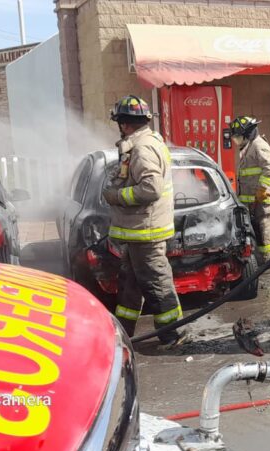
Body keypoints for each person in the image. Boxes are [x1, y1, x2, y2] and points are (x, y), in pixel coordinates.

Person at [102, 95, 182, 345]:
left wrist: (116, 196)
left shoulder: (143, 148)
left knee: (157, 283)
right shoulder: (145, 143)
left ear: (124, 123)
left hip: (146, 231)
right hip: (139, 231)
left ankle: (172, 334)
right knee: (130, 283)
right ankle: (123, 333)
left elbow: (151, 189)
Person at [230, 116, 270, 263]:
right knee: (256, 229)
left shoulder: (259, 145)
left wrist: (262, 189)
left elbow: (269, 169)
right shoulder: (248, 146)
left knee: (263, 230)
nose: (236, 140)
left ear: (247, 133)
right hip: (252, 199)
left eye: (238, 136)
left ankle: (268, 260)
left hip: (261, 198)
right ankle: (260, 259)